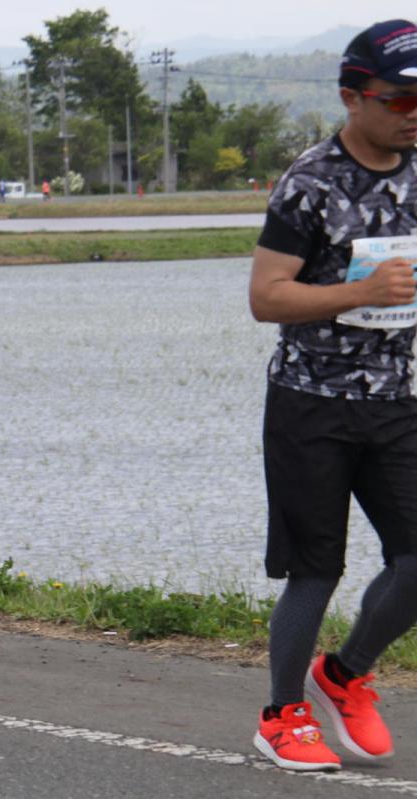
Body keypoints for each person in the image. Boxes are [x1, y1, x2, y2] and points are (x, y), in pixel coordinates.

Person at [248, 19, 417, 772]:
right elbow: (266, 296)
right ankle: (281, 715)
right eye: (401, 97)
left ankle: (344, 675)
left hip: (403, 400)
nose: (413, 111)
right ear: (353, 97)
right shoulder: (309, 181)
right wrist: (359, 291)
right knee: (316, 568)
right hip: (310, 402)